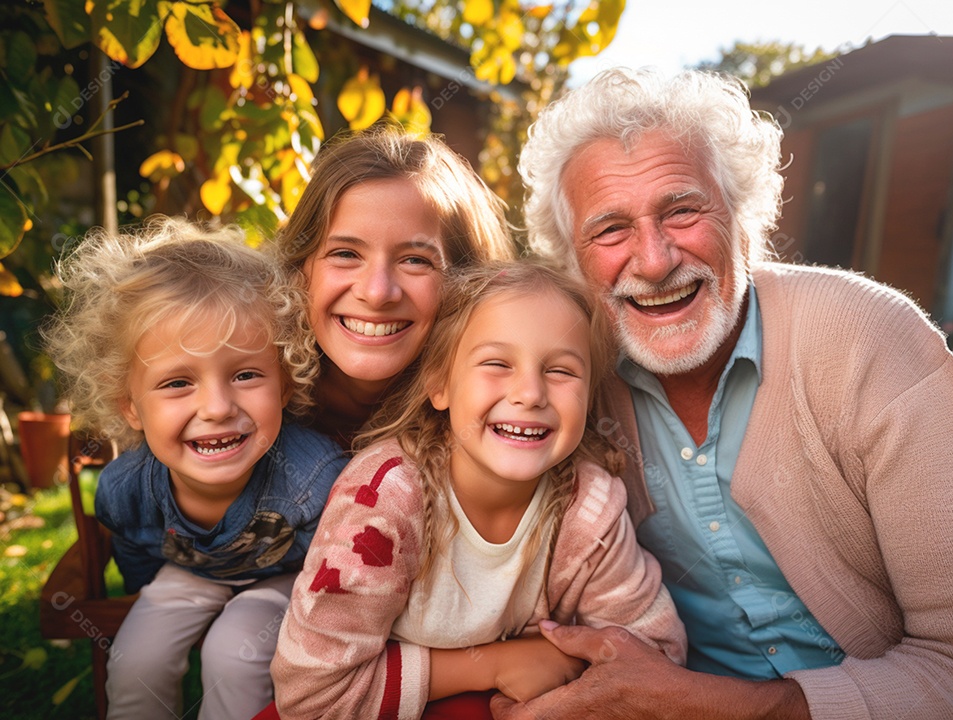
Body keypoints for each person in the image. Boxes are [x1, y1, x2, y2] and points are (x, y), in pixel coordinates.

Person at [492, 67, 953, 719]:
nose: (654, 261)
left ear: (744, 216)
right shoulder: (569, 381)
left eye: (683, 210)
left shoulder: (870, 339)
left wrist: (714, 705)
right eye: (610, 230)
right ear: (574, 262)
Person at [270, 260, 687, 719]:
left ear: (589, 396)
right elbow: (311, 696)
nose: (530, 393)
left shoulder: (588, 507)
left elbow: (654, 657)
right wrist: (494, 665)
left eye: (561, 371)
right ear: (440, 383)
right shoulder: (383, 500)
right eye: (496, 364)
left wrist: (566, 667)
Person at [44, 217, 349, 720]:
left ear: (286, 385)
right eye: (176, 383)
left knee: (235, 652)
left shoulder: (315, 479)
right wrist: (148, 597)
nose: (216, 407)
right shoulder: (126, 490)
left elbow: (331, 580)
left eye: (246, 374)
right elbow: (138, 554)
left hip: (286, 580)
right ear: (129, 406)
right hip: (188, 573)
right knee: (137, 657)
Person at [275, 127, 517, 447]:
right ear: (299, 268)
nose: (376, 293)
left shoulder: (505, 422)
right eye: (346, 254)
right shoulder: (237, 393)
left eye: (415, 261)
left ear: (468, 283)